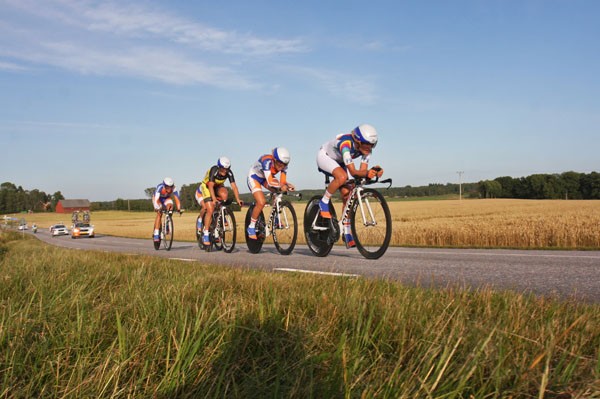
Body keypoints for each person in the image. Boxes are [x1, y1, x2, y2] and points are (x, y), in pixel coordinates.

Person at [316, 124, 384, 247]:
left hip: (339, 161)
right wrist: (366, 173)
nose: (369, 148)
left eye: (372, 145)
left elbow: (362, 171)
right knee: (342, 177)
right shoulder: (345, 144)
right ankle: (324, 201)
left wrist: (372, 172)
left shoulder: (367, 151)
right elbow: (353, 172)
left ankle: (346, 230)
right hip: (325, 156)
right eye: (366, 144)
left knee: (348, 194)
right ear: (357, 141)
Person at [246, 147, 295, 239]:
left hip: (266, 176)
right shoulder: (267, 161)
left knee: (279, 191)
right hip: (254, 177)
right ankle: (251, 227)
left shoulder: (284, 165)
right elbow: (270, 182)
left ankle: (276, 218)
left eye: (284, 164)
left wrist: (287, 185)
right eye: (279, 163)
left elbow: (282, 181)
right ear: (274, 159)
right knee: (261, 202)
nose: (281, 166)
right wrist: (281, 185)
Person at [195, 156, 245, 247]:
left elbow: (234, 187)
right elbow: (210, 186)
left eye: (227, 169)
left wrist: (238, 199)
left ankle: (221, 214)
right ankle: (206, 233)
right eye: (222, 169)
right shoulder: (214, 170)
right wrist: (214, 199)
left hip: (218, 186)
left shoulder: (229, 173)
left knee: (224, 195)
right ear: (219, 167)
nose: (224, 171)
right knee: (209, 209)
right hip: (207, 186)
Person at [152, 177, 182, 242]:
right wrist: (157, 207)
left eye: (171, 187)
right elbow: (156, 199)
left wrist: (179, 208)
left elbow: (177, 198)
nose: (169, 189)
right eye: (167, 187)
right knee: (159, 214)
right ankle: (156, 233)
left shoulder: (174, 188)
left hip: (166, 199)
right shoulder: (160, 187)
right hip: (158, 199)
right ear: (164, 185)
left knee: (171, 206)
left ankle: (167, 223)